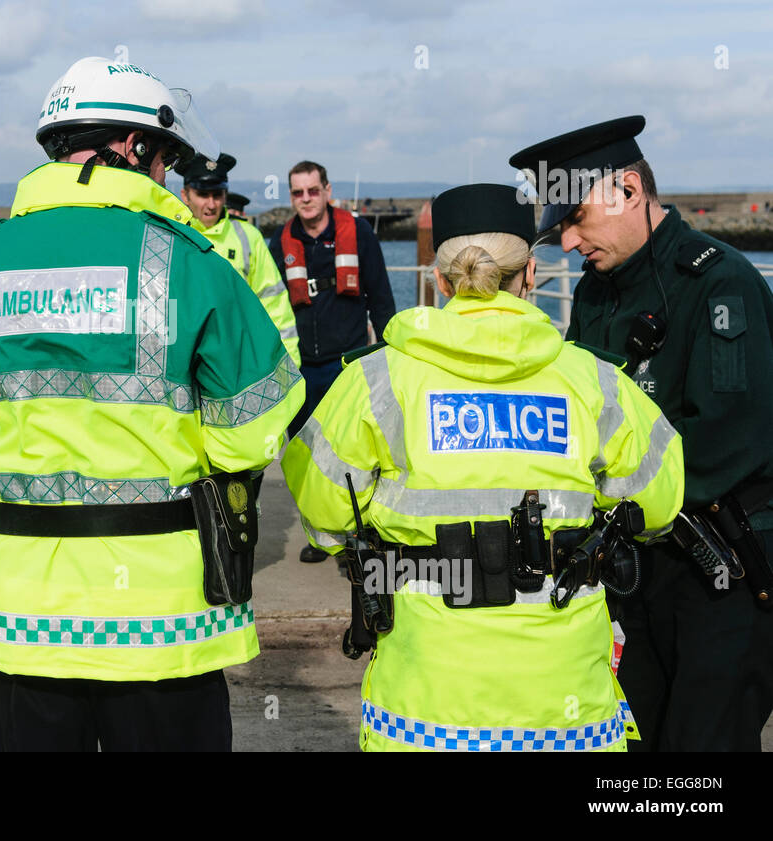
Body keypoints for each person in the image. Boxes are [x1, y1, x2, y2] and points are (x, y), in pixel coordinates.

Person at [0, 56, 304, 751]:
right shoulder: (191, 260)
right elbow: (258, 423)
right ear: (135, 148)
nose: (169, 181)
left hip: (17, 613)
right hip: (162, 619)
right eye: (166, 164)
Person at [282, 182, 683, 752]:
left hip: (425, 710)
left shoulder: (376, 381)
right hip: (565, 711)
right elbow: (659, 505)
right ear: (532, 273)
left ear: (441, 280)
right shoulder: (594, 381)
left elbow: (322, 519)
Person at [510, 115, 773, 751]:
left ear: (628, 189)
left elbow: (726, 441)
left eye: (575, 221)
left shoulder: (719, 282)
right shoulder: (600, 294)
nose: (568, 245)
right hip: (637, 569)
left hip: (722, 571)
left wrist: (608, 497)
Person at [268, 160, 396, 562]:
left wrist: (390, 350)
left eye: (312, 190)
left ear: (326, 190)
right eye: (297, 193)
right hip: (300, 367)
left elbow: (380, 295)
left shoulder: (357, 233)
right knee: (306, 454)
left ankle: (356, 535)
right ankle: (318, 533)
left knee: (351, 454)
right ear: (292, 197)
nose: (306, 199)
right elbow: (268, 304)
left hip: (348, 364)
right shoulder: (279, 242)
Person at [178, 153, 299, 365]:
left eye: (217, 195)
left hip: (239, 365)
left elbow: (274, 303)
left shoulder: (249, 237)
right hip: (185, 362)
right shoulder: (174, 237)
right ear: (185, 195)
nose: (211, 204)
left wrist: (290, 365)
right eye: (202, 194)